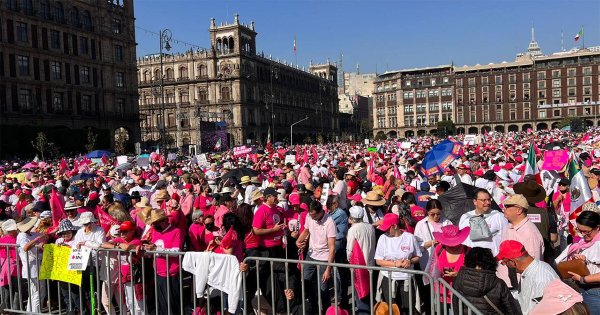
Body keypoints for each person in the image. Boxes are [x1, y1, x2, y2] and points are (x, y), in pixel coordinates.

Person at [374, 213, 421, 313]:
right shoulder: (383, 238)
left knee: (408, 308)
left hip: (406, 279)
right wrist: (396, 264)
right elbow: (378, 260)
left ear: (395, 226)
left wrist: (410, 261)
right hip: (388, 278)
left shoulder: (410, 237)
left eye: (387, 228)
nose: (385, 230)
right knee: (391, 309)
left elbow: (417, 256)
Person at [452, 247, 522, 315]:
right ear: (490, 262)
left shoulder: (458, 280)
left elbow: (456, 306)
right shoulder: (498, 283)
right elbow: (511, 309)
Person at [497, 240, 558, 313]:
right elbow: (523, 297)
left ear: (513, 262)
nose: (506, 266)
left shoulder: (541, 279)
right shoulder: (529, 272)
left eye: (504, 263)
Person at [296, 200, 337, 312]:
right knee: (306, 282)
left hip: (324, 259)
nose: (312, 218)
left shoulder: (330, 222)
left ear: (321, 212)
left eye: (314, 215)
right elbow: (306, 230)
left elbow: (332, 247)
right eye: (311, 215)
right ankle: (313, 309)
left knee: (323, 289)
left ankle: (326, 312)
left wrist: (328, 268)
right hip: (311, 256)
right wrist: (298, 241)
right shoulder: (310, 217)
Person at [555, 211, 600, 312]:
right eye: (580, 230)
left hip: (594, 291)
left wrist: (583, 279)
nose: (583, 235)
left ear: (597, 227)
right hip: (585, 288)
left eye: (586, 231)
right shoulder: (585, 241)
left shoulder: (598, 244)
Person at [102, 221, 144, 315]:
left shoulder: (136, 240)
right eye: (121, 232)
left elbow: (127, 247)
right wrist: (117, 244)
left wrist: (118, 245)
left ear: (132, 231)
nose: (122, 234)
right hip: (125, 277)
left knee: (139, 303)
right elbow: (104, 244)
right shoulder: (119, 240)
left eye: (125, 231)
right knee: (129, 301)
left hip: (136, 277)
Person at [431, 225, 470, 313]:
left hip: (461, 294)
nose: (452, 245)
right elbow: (432, 270)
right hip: (441, 293)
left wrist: (458, 274)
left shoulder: (468, 250)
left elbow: (474, 273)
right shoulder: (439, 249)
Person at [345, 205, 376, 315]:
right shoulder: (370, 227)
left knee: (360, 292)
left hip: (358, 265)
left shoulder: (353, 230)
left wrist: (349, 262)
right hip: (371, 263)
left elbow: (349, 250)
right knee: (368, 292)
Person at [458, 188, 508, 255]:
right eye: (484, 200)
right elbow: (462, 240)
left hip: (492, 259)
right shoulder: (465, 217)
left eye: (489, 199)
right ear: (475, 201)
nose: (487, 202)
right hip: (471, 258)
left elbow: (506, 238)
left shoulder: (499, 216)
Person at [16, 216, 48, 312]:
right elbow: (25, 247)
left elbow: (45, 235)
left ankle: (30, 312)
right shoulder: (22, 235)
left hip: (36, 266)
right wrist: (37, 240)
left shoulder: (30, 233)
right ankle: (35, 313)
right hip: (31, 268)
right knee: (37, 294)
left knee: (35, 294)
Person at [414, 199, 452, 272]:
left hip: (445, 257)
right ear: (427, 212)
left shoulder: (447, 222)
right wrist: (430, 243)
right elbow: (416, 245)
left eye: (438, 214)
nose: (436, 216)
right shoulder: (421, 224)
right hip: (428, 259)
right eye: (432, 214)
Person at [55, 219, 82, 314]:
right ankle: (69, 312)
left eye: (67, 232)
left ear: (72, 231)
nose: (65, 235)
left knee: (76, 295)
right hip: (62, 273)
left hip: (73, 272)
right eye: (63, 233)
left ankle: (82, 312)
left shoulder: (76, 240)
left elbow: (78, 252)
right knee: (66, 296)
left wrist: (67, 247)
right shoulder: (58, 240)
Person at [0, 219, 20, 311]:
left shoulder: (2, 239)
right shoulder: (16, 239)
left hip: (4, 265)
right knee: (16, 288)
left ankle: (6, 307)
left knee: (6, 287)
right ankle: (15, 308)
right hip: (14, 265)